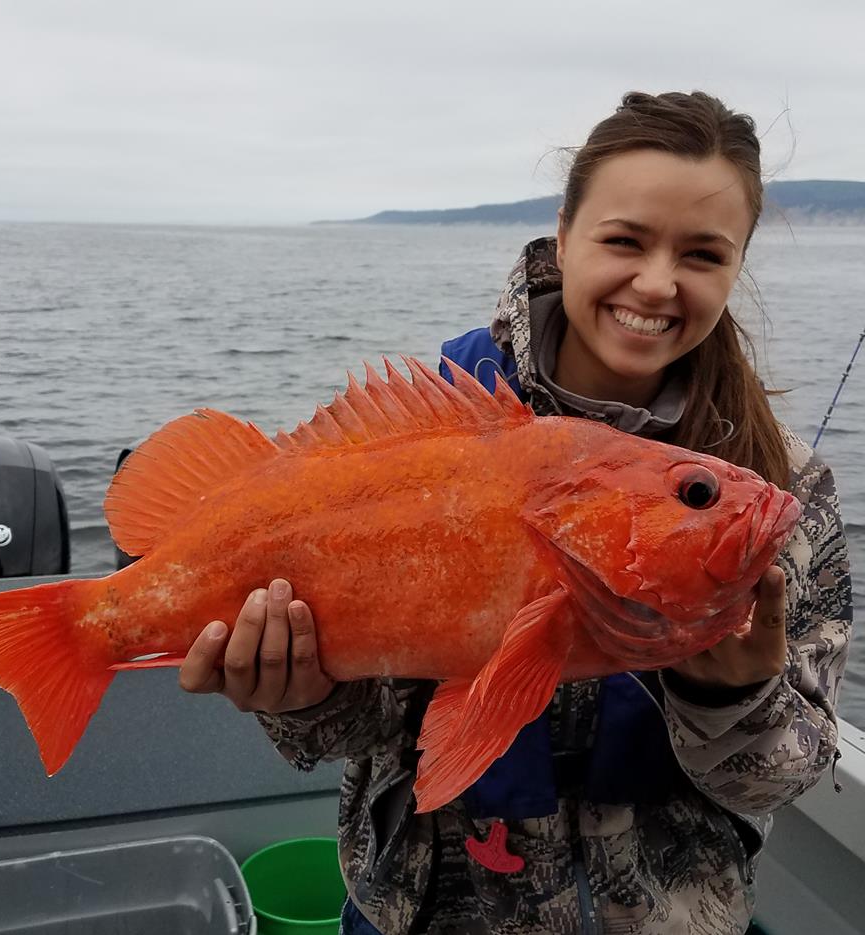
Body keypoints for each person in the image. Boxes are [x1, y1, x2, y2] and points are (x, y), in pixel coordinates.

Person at [179, 91, 853, 934]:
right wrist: (301, 694)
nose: (655, 281)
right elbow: (362, 728)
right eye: (624, 239)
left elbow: (781, 777)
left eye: (703, 254)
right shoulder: (430, 440)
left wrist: (738, 697)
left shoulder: (777, 487)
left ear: (737, 267)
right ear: (562, 237)